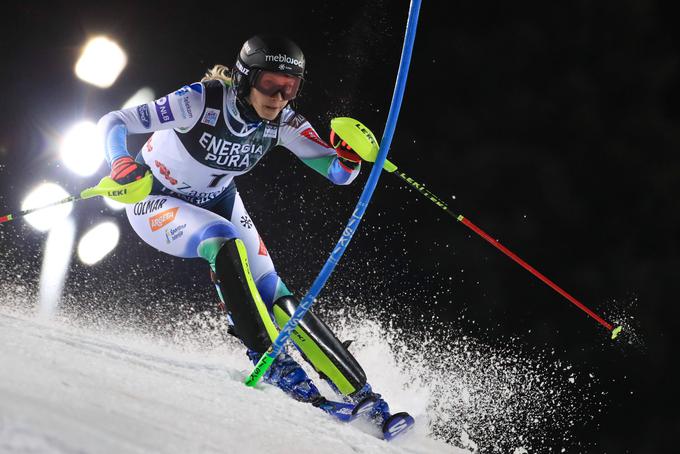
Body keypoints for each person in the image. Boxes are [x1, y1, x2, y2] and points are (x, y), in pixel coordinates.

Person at [97, 34, 406, 432]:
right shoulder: (201, 100)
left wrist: (349, 156)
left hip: (219, 200)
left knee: (274, 290)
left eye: (290, 88)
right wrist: (120, 160)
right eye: (269, 85)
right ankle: (275, 365)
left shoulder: (285, 122)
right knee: (222, 241)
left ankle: (365, 396)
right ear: (245, 79)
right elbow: (115, 121)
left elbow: (336, 173)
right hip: (155, 199)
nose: (279, 98)